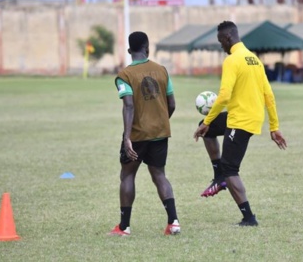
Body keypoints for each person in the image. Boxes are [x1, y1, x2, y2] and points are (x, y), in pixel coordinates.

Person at [193, 21, 287, 226]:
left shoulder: (232, 60)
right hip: (247, 116)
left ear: (228, 38)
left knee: (231, 169)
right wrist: (273, 127)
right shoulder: (254, 59)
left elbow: (224, 95)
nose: (221, 47)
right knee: (207, 128)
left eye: (220, 42)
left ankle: (249, 217)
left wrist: (208, 121)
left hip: (241, 122)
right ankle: (218, 176)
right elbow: (269, 95)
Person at [109, 31, 180, 236]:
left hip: (138, 135)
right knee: (159, 174)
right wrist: (160, 121)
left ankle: (124, 227)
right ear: (147, 47)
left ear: (129, 50)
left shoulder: (124, 76)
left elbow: (129, 106)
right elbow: (172, 103)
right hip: (160, 132)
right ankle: (173, 222)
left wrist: (127, 138)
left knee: (127, 174)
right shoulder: (162, 71)